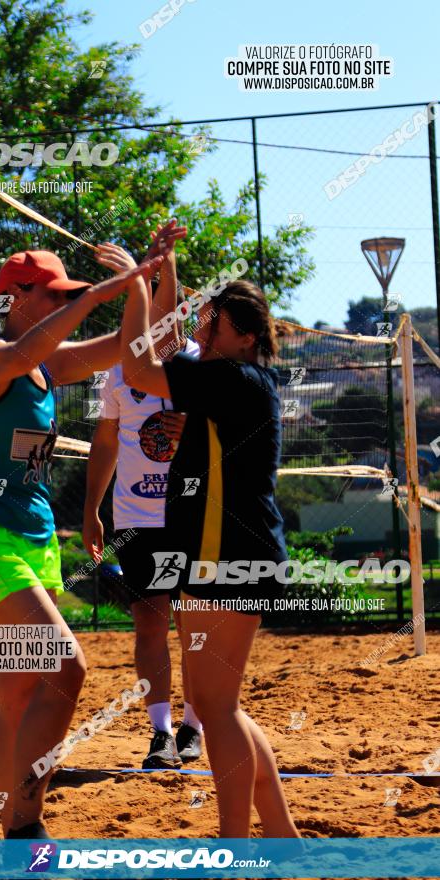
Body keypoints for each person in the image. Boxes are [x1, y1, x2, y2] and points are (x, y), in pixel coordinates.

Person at [0, 248, 162, 839]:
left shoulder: (50, 366)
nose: (68, 300)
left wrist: (142, 286)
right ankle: (25, 825)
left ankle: (4, 813)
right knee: (66, 667)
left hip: (34, 537)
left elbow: (132, 350)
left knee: (18, 698)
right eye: (57, 294)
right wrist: (98, 294)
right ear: (15, 298)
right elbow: (22, 352)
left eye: (72, 293)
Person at [120, 224, 300, 838]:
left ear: (244, 336)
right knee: (224, 708)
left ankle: (235, 847)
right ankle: (281, 840)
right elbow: (168, 351)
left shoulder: (231, 379)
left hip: (231, 557)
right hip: (225, 555)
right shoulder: (234, 378)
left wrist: (135, 287)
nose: (202, 326)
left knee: (218, 710)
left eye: (213, 320)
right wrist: (163, 270)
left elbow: (141, 364)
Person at [83, 232, 202, 770]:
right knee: (150, 623)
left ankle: (194, 728)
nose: (162, 320)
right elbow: (105, 441)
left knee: (196, 627)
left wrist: (165, 265)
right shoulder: (120, 371)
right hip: (134, 517)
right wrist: (91, 510)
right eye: (152, 311)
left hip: (196, 518)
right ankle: (159, 735)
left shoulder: (203, 367)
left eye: (171, 311)